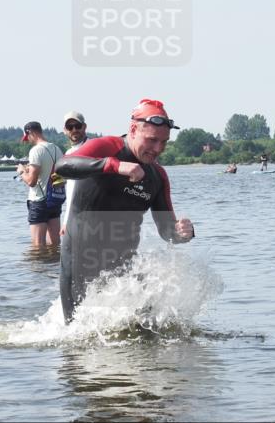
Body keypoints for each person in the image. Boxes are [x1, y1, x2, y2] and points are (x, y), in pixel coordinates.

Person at [55, 98, 195, 323]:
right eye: (152, 140)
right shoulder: (106, 148)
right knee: (76, 340)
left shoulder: (157, 177)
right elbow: (62, 166)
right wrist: (114, 166)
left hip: (122, 271)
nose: (158, 149)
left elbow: (167, 231)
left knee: (148, 333)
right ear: (133, 129)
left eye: (164, 142)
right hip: (80, 264)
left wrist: (182, 233)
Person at [16, 121, 64, 247]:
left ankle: (39, 267)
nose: (28, 141)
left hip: (38, 201)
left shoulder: (36, 151)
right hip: (54, 200)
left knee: (38, 246)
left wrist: (21, 171)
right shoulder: (56, 149)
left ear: (30, 133)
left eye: (28, 138)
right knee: (55, 244)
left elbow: (31, 182)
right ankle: (55, 266)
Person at [60, 110, 88, 235]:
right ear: (65, 130)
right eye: (70, 127)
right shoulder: (68, 154)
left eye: (77, 126)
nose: (74, 130)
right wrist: (66, 221)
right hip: (74, 216)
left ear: (84, 127)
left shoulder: (93, 147)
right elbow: (70, 192)